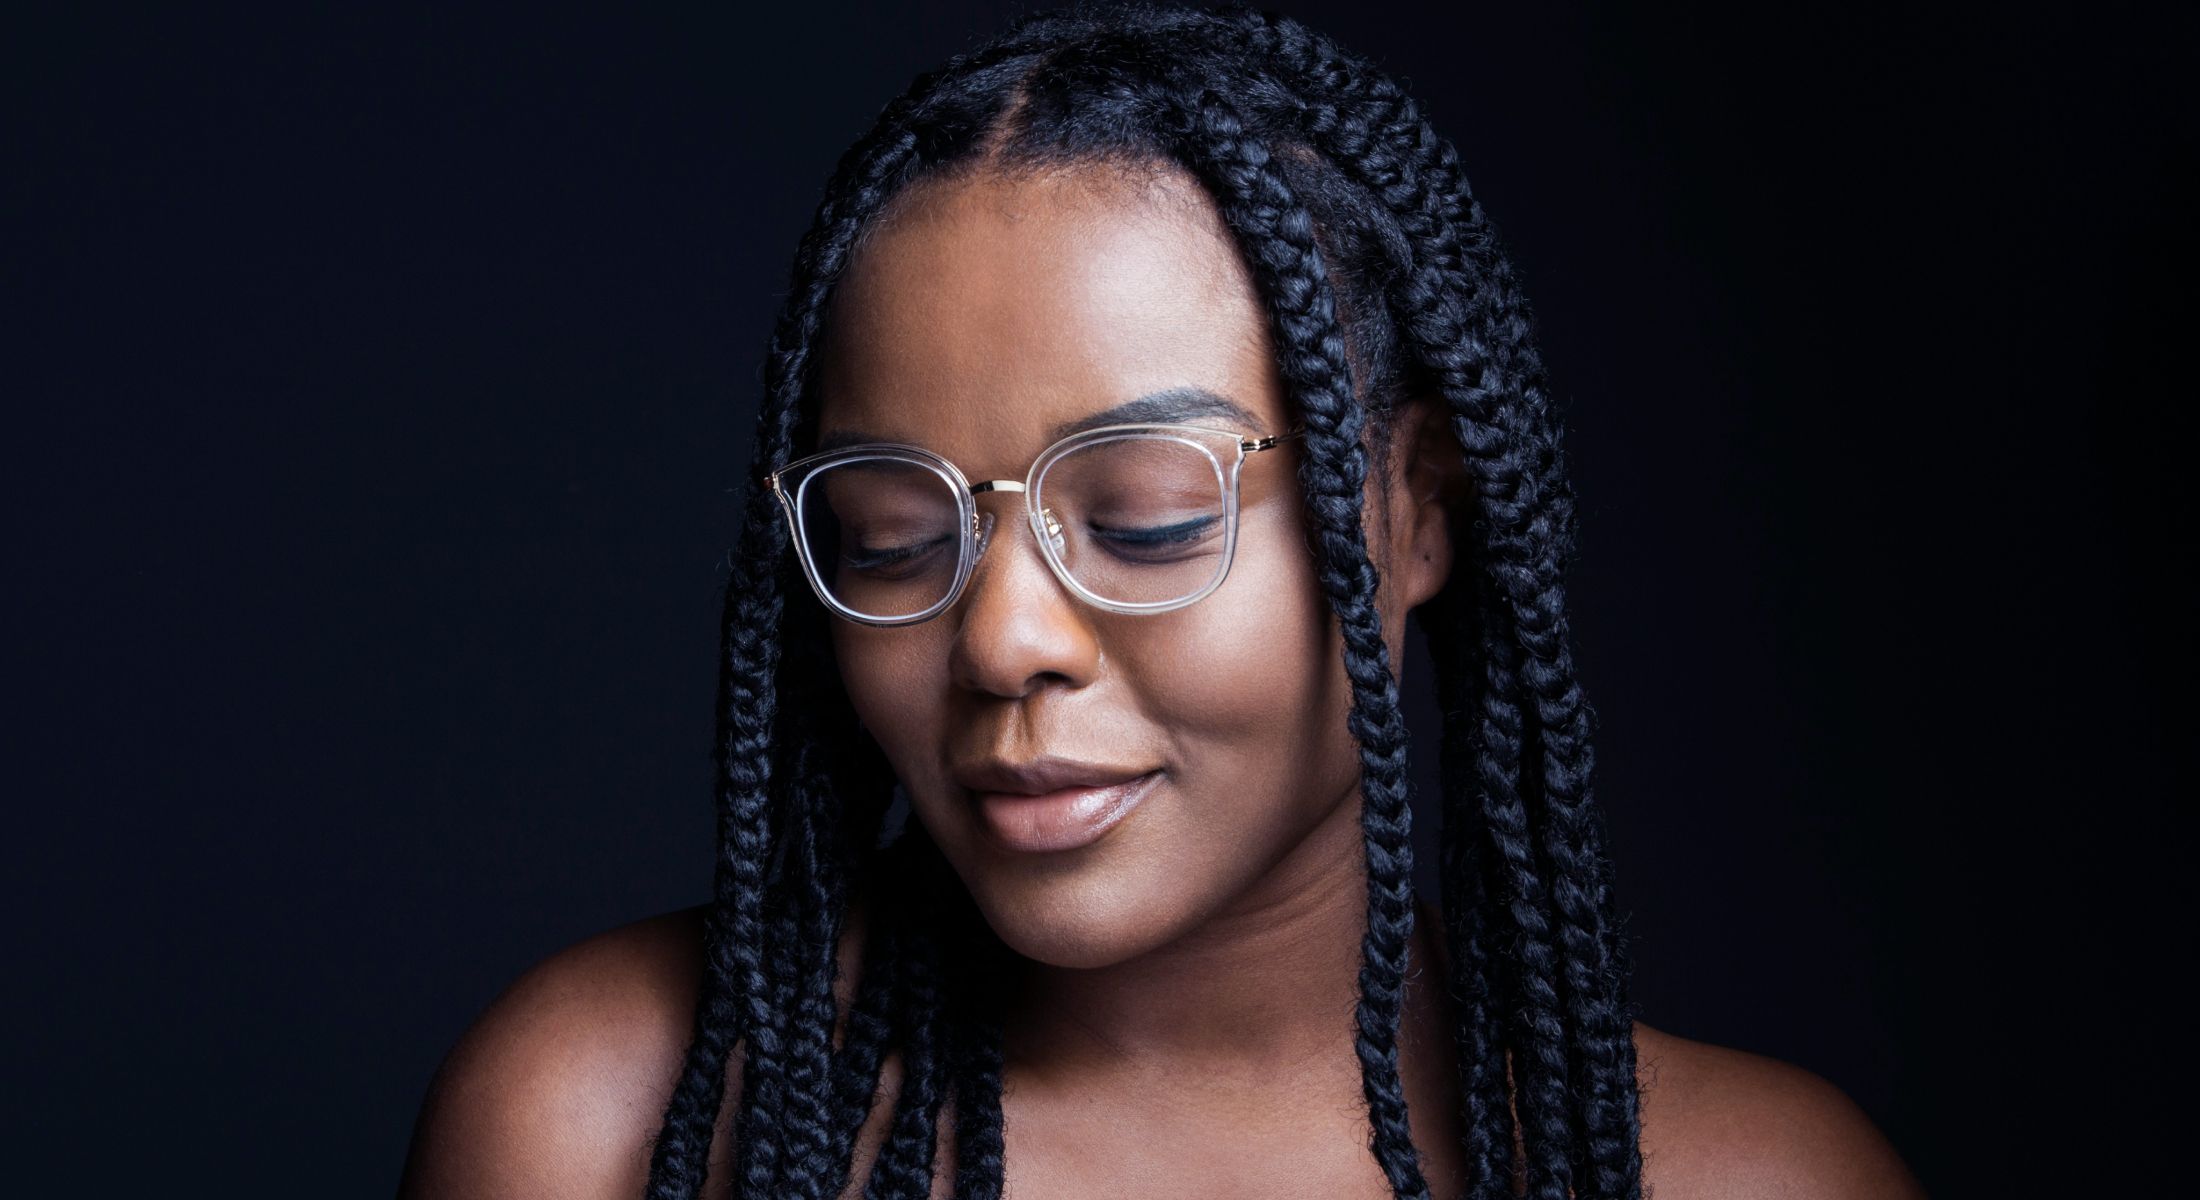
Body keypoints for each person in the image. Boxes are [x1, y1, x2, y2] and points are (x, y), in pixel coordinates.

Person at [399, 6, 1927, 1197]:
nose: (1001, 641)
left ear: (1418, 510)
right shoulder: (603, 1121)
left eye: (1140, 520)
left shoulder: (1748, 1177)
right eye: (890, 540)